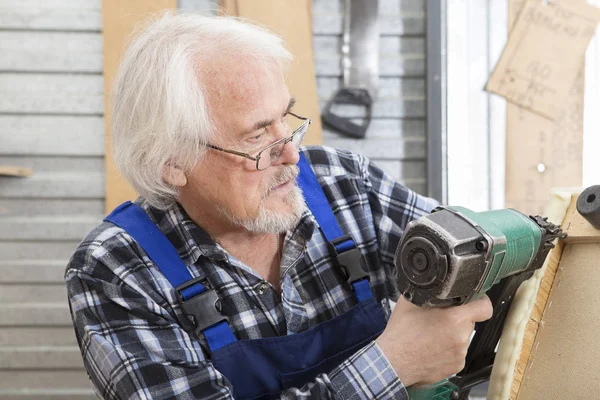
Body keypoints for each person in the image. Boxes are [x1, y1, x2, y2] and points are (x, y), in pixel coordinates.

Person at [65, 12, 493, 400]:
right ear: (172, 162)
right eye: (256, 137)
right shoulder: (115, 270)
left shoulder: (345, 184)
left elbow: (479, 253)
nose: (290, 154)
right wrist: (393, 363)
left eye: (285, 118)